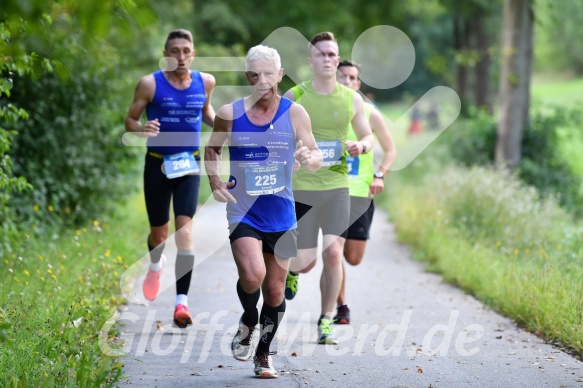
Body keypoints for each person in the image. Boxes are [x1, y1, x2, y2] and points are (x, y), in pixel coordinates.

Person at [204, 45, 321, 378]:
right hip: (243, 211)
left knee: (274, 290)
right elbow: (212, 148)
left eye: (269, 73)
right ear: (247, 78)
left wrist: (308, 158)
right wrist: (214, 180)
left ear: (280, 75)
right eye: (255, 75)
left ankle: (263, 354)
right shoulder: (230, 113)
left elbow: (314, 155)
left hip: (281, 213)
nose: (262, 81)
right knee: (253, 276)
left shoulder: (295, 113)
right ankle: (248, 319)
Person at [283, 32, 375, 344]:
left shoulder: (352, 98)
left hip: (337, 186)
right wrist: (291, 155)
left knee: (334, 253)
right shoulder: (295, 95)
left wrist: (360, 146)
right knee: (305, 261)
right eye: (321, 54)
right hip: (303, 187)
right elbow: (276, 136)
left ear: (337, 60)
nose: (327, 59)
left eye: (332, 54)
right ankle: (292, 271)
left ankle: (325, 321)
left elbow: (369, 136)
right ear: (310, 61)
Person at [124, 29, 216, 328]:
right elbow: (130, 118)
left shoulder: (206, 82)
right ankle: (155, 263)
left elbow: (205, 112)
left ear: (193, 53)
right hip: (158, 166)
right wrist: (141, 129)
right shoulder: (149, 84)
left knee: (185, 232)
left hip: (189, 165)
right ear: (166, 54)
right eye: (174, 51)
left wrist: (228, 125)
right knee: (159, 235)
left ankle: (181, 304)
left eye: (186, 50)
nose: (180, 56)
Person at [334, 60, 397, 324]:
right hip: (332, 192)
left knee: (353, 258)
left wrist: (379, 175)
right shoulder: (322, 112)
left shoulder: (370, 114)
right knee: (334, 252)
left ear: (358, 84)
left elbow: (390, 150)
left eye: (352, 78)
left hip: (361, 194)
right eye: (343, 77)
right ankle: (341, 307)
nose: (347, 81)